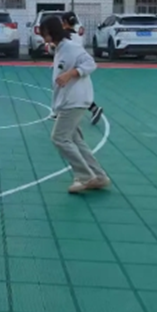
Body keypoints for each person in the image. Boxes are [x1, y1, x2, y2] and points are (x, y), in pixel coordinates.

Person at [40, 15, 109, 194]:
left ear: (52, 31)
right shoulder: (60, 48)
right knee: (76, 140)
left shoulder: (70, 47)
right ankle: (99, 176)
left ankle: (85, 176)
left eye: (44, 32)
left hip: (74, 101)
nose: (42, 35)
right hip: (69, 100)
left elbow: (90, 63)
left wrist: (71, 74)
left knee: (59, 138)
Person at [61, 11, 103, 125]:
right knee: (79, 91)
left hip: (70, 67)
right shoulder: (78, 36)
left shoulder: (65, 37)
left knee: (68, 89)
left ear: (64, 22)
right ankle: (94, 108)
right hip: (79, 65)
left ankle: (61, 111)